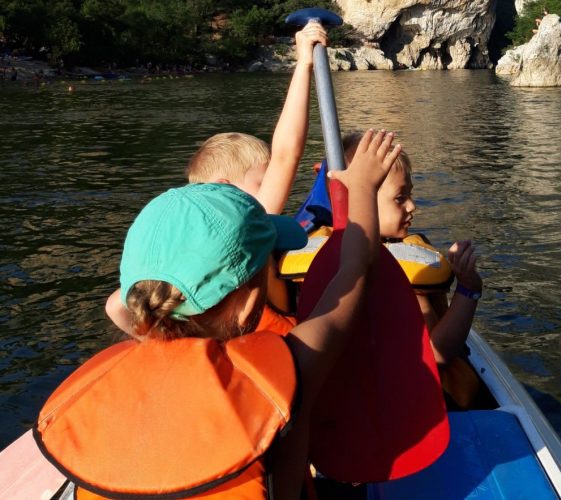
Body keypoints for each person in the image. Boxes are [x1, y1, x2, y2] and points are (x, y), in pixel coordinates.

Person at [35, 129, 402, 500]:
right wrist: (362, 189)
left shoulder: (118, 364)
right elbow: (356, 268)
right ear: (247, 304)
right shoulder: (294, 370)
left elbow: (116, 303)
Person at [104, 23, 327, 336]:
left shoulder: (170, 280)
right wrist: (303, 64)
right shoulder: (242, 221)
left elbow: (115, 305)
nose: (272, 189)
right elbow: (286, 155)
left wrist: (143, 336)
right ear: (224, 187)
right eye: (260, 182)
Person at [284, 133, 488, 409]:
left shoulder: (323, 260)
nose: (412, 206)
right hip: (414, 405)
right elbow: (437, 353)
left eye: (411, 194)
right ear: (359, 199)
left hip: (347, 401)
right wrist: (468, 290)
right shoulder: (403, 274)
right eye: (400, 197)